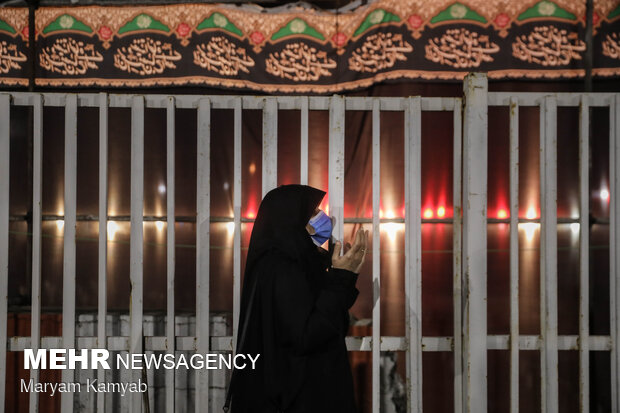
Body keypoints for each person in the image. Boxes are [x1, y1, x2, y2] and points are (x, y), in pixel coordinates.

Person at [225, 184, 368, 413]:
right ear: (290, 218)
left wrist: (344, 278)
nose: (323, 218)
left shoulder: (291, 264)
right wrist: (340, 280)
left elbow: (327, 319)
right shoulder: (283, 269)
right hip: (296, 399)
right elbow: (307, 335)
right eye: (312, 213)